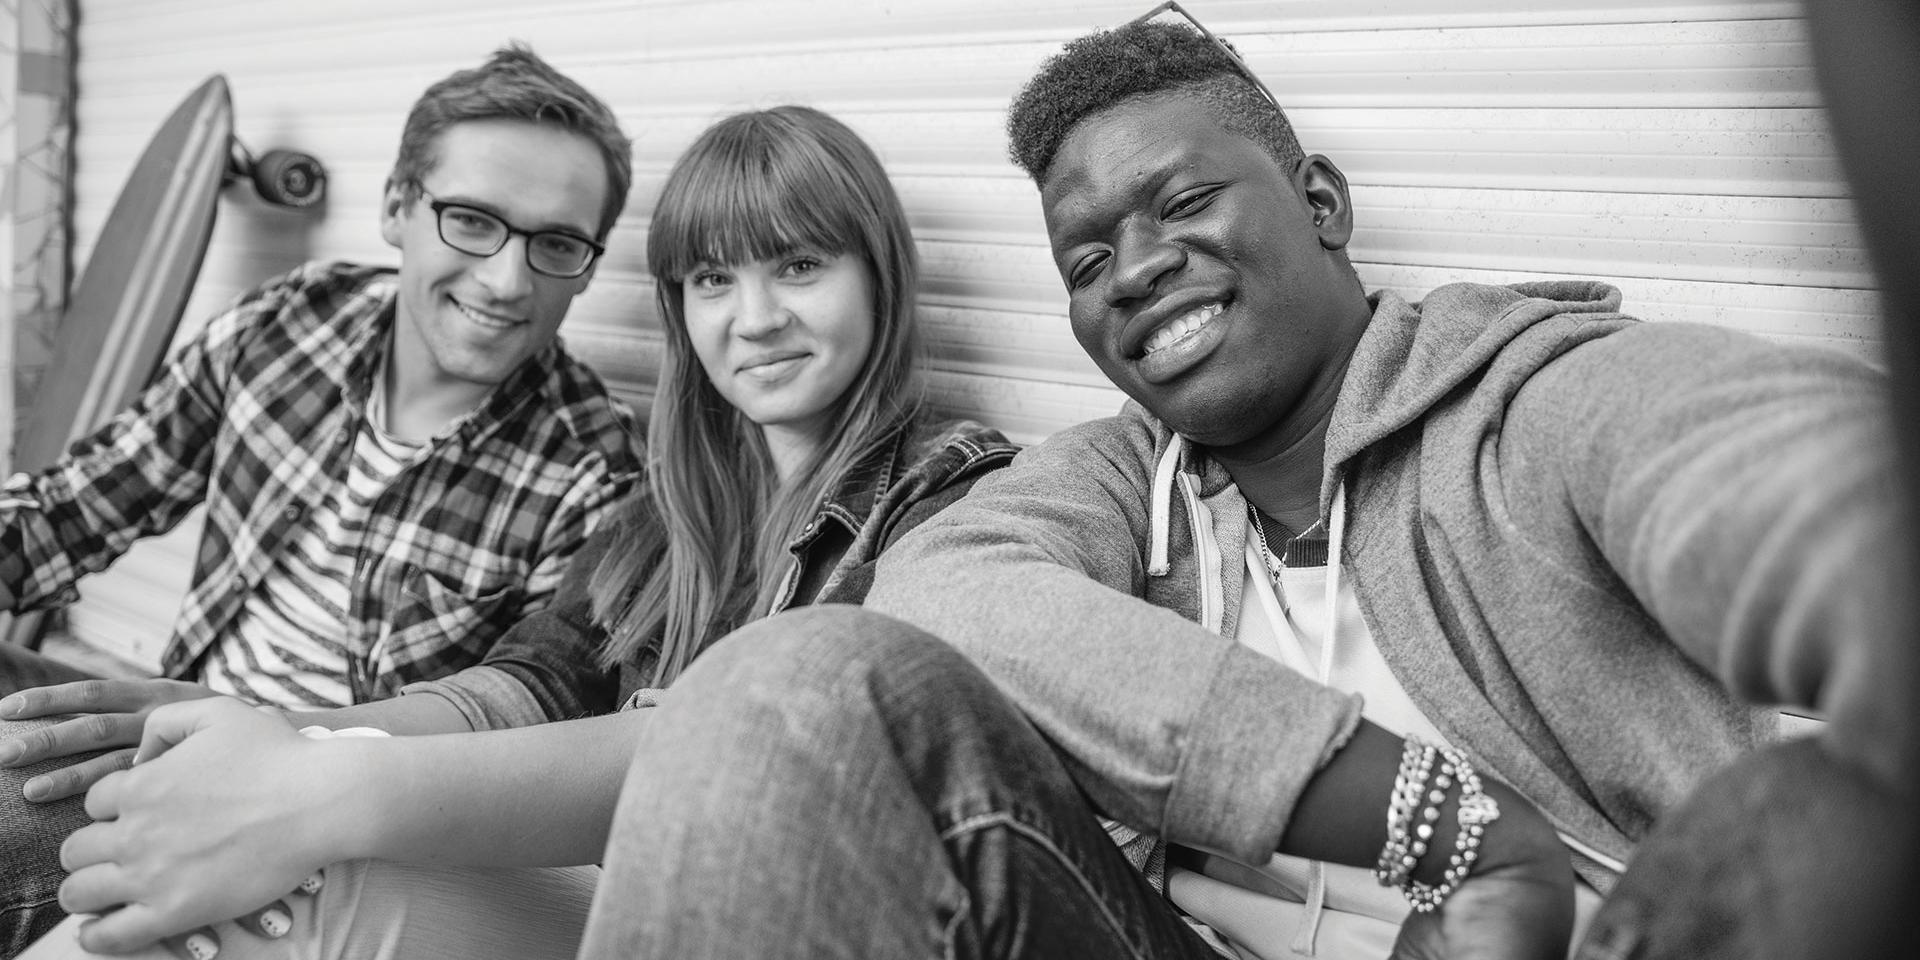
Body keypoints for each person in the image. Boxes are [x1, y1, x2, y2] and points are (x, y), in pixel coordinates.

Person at [564, 13, 1911, 960]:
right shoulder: (1111, 478)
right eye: (1087, 261)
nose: (1134, 268)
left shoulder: (1525, 401)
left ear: (1317, 199)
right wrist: (1452, 828)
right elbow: (947, 595)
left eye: (1180, 203)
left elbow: (1746, 458)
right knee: (786, 681)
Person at [28, 104, 1017, 960]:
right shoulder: (672, 509)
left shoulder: (948, 492)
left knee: (284, 887)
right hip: (592, 887)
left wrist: (322, 783)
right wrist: (248, 732)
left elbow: (749, 762)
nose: (754, 318)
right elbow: (521, 690)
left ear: (880, 273)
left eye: (799, 266)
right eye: (713, 281)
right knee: (139, 850)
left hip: (765, 919)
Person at [0, 44, 644, 957]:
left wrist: (279, 757)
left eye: (556, 245)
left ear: (586, 265)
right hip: (164, 710)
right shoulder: (290, 323)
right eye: (471, 221)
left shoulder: (595, 472)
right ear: (396, 208)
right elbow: (80, 505)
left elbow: (518, 712)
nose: (508, 281)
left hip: (322, 807)